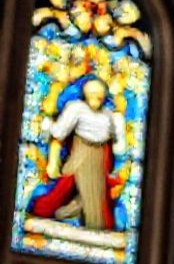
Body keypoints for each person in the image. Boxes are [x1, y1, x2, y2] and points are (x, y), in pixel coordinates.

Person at [31, 77, 126, 230]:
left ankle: (84, 219)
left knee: (96, 191)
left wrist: (119, 139)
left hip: (100, 154)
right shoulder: (76, 109)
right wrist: (49, 126)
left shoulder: (108, 115)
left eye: (99, 97)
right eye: (92, 95)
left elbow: (115, 138)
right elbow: (60, 131)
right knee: (69, 184)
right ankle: (50, 210)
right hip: (81, 150)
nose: (95, 101)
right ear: (85, 95)